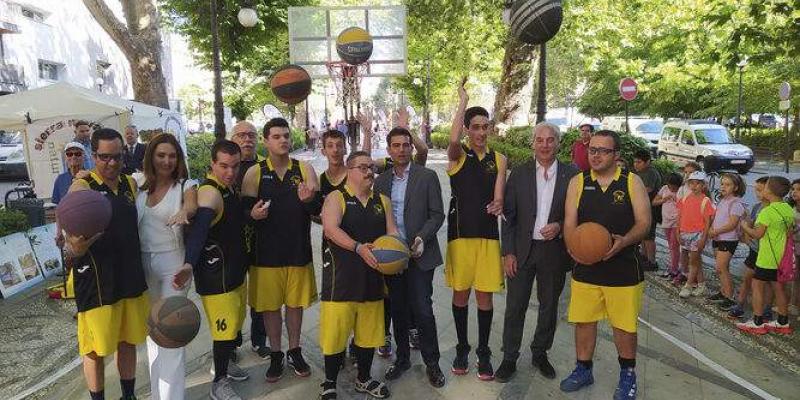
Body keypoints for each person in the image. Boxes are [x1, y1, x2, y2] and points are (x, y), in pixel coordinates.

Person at [560, 130, 651, 400]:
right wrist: (572, 248)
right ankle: (583, 369)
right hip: (587, 266)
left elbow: (644, 223)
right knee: (584, 321)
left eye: (603, 150)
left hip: (623, 266)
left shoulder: (631, 182)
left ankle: (628, 375)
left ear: (617, 155)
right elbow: (569, 222)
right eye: (592, 150)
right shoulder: (578, 182)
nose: (596, 155)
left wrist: (624, 242)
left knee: (624, 326)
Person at [62, 128, 149, 400]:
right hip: (96, 278)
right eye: (103, 157)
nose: (111, 163)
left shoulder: (130, 184)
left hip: (129, 274)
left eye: (116, 157)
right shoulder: (83, 186)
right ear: (93, 155)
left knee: (127, 341)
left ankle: (128, 395)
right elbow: (69, 233)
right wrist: (72, 246)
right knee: (95, 349)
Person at [496, 122, 577, 382]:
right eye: (540, 140)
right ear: (533, 143)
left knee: (549, 306)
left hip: (553, 253)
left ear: (558, 143)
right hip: (521, 252)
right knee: (514, 307)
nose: (545, 145)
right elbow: (508, 216)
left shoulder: (573, 175)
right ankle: (509, 357)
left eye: (550, 140)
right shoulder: (518, 174)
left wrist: (561, 226)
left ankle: (540, 353)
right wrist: (507, 252)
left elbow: (580, 215)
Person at [241, 117, 319, 382]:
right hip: (265, 255)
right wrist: (252, 214)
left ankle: (294, 350)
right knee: (271, 308)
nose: (283, 140)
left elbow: (318, 211)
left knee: (295, 305)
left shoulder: (305, 169)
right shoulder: (255, 173)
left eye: (286, 135)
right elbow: (244, 213)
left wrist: (309, 201)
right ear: (266, 141)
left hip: (298, 250)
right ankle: (276, 353)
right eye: (276, 136)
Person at [319, 151, 396, 400]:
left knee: (367, 335)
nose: (368, 172)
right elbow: (330, 229)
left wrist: (403, 249)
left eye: (371, 167)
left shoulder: (381, 200)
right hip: (341, 280)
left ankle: (364, 379)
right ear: (349, 171)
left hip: (372, 278)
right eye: (362, 167)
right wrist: (358, 247)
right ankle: (329, 382)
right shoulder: (336, 197)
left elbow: (392, 233)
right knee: (335, 336)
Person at [374, 127, 446, 387]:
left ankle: (432, 363)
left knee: (423, 310)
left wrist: (421, 238)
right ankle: (402, 358)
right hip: (393, 258)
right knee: (398, 310)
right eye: (396, 145)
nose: (402, 149)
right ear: (389, 149)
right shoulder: (380, 181)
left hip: (419, 255)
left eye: (406, 145)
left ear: (411, 148)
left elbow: (437, 214)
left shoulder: (426, 176)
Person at [445, 78, 507, 380]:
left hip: (488, 237)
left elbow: (499, 195)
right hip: (460, 237)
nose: (481, 132)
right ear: (468, 130)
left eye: (486, 127)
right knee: (460, 296)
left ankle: (483, 352)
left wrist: (498, 204)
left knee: (485, 298)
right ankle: (461, 347)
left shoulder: (500, 159)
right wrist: (462, 103)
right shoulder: (458, 157)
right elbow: (453, 139)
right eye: (476, 127)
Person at [179, 140, 250, 399]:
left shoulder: (228, 187)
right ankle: (218, 382)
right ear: (212, 164)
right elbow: (197, 232)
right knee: (224, 331)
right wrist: (188, 263)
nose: (230, 172)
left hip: (234, 273)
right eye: (223, 166)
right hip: (216, 277)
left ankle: (226, 365)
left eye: (235, 166)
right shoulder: (209, 193)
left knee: (234, 326)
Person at [136, 133, 198, 400]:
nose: (167, 160)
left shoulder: (185, 185)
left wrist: (186, 211)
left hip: (173, 263)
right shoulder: (138, 185)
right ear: (151, 156)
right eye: (161, 155)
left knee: (172, 331)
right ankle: (158, 393)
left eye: (172, 155)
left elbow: (192, 204)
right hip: (143, 263)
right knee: (153, 330)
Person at [229, 120, 270, 360]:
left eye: (251, 135)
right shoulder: (224, 168)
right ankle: (231, 343)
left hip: (260, 241)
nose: (247, 139)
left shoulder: (266, 167)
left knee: (260, 294)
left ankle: (259, 339)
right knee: (233, 295)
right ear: (232, 139)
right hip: (231, 243)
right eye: (241, 135)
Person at [737, 176, 795, 335]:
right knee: (778, 288)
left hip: (767, 257)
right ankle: (783, 322)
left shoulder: (766, 212)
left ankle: (757, 321)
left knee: (757, 286)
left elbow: (757, 234)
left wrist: (744, 226)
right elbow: (789, 231)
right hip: (782, 256)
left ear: (769, 191)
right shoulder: (788, 208)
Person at [727, 177, 771, 318]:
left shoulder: (772, 209)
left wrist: (747, 228)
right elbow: (749, 223)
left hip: (768, 251)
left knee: (767, 282)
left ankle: (767, 308)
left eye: (760, 189)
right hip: (755, 250)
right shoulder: (757, 207)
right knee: (747, 277)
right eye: (756, 189)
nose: (757, 193)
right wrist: (746, 235)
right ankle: (740, 303)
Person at [707, 173, 746, 309]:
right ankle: (723, 291)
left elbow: (732, 224)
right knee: (721, 268)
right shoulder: (723, 200)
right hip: (718, 238)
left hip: (728, 239)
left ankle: (730, 297)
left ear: (735, 187)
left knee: (721, 267)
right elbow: (716, 217)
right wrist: (711, 228)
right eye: (722, 184)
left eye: (727, 184)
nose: (723, 187)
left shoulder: (736, 203)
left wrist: (715, 231)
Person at [676, 171, 715, 298]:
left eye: (698, 183)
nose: (694, 186)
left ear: (703, 185)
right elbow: (680, 216)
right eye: (691, 183)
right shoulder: (685, 198)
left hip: (698, 234)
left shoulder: (705, 201)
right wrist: (678, 231)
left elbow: (707, 222)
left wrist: (704, 238)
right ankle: (701, 284)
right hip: (685, 232)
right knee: (695, 260)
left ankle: (688, 285)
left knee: (693, 260)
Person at [632, 149, 661, 271]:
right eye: (635, 162)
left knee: (649, 236)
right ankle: (644, 256)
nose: (636, 164)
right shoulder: (639, 172)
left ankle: (652, 261)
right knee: (643, 234)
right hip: (641, 206)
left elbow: (647, 189)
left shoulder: (651, 173)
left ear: (647, 162)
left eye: (639, 162)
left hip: (651, 208)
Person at [674, 161, 703, 286]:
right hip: (685, 227)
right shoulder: (682, 189)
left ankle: (697, 278)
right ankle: (685, 273)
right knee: (684, 252)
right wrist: (678, 228)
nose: (687, 175)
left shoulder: (702, 192)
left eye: (690, 172)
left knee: (695, 255)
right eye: (685, 172)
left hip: (697, 229)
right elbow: (679, 209)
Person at [652, 173, 683, 281]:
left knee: (674, 245)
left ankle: (674, 269)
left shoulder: (682, 191)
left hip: (676, 221)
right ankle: (673, 266)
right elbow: (654, 202)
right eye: (670, 186)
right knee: (670, 245)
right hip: (666, 220)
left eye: (674, 187)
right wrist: (664, 199)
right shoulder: (665, 188)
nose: (671, 188)